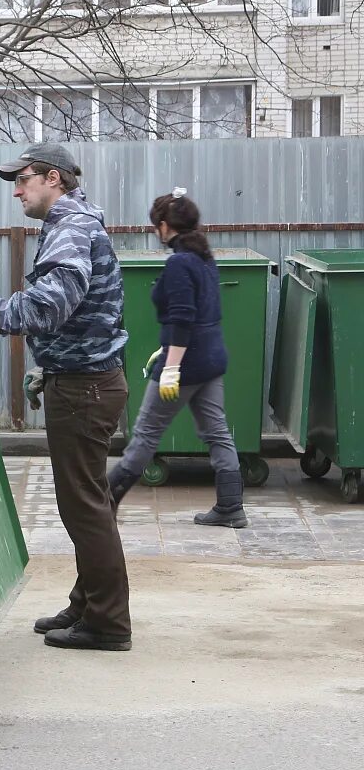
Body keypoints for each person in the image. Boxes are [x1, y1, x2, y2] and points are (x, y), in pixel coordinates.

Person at [0, 143, 132, 652]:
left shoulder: (70, 227)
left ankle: (108, 623)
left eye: (22, 180)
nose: (17, 190)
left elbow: (50, 305)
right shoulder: (77, 222)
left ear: (53, 178)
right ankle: (89, 602)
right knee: (86, 502)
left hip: (84, 388)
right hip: (84, 380)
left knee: (85, 507)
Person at [106, 190, 249, 529]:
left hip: (185, 365)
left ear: (164, 226)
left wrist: (171, 365)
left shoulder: (180, 263)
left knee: (145, 434)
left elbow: (183, 318)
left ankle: (105, 504)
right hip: (212, 359)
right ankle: (231, 508)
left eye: (156, 225)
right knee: (216, 432)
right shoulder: (204, 258)